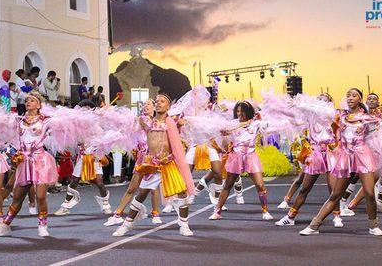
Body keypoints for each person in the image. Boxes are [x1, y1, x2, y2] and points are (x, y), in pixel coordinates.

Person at [299, 88, 382, 236]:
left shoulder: (368, 119)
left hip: (363, 155)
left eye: (354, 95)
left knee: (370, 193)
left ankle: (373, 225)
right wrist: (298, 104)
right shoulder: (339, 115)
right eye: (348, 96)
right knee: (335, 194)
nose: (350, 98)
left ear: (360, 99)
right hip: (345, 156)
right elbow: (319, 110)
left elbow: (375, 139)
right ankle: (314, 225)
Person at [112, 94, 195, 237]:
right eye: (156, 102)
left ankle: (184, 225)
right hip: (152, 163)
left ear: (168, 106)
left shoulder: (173, 121)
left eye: (162, 102)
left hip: (168, 162)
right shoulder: (147, 122)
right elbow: (128, 122)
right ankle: (127, 224)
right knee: (142, 194)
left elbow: (192, 123)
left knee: (182, 192)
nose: (158, 103)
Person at [0, 91, 58, 237]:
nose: (28, 102)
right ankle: (5, 225)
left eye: (32, 100)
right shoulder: (19, 121)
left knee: (40, 196)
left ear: (39, 105)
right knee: (17, 197)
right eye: (27, 100)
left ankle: (43, 225)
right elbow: (6, 132)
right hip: (24, 161)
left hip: (40, 160)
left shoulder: (46, 120)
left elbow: (66, 123)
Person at [275, 93, 343, 227]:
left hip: (331, 155)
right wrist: (279, 108)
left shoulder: (334, 117)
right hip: (316, 154)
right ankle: (290, 217)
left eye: (325, 99)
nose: (321, 101)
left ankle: (337, 216)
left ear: (329, 103)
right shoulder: (310, 118)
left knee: (334, 189)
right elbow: (294, 118)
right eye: (319, 99)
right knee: (305, 188)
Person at [208, 101, 273, 221]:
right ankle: (217, 211)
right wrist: (223, 133)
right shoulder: (233, 124)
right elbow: (220, 132)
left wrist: (260, 117)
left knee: (260, 184)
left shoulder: (255, 123)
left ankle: (265, 211)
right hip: (235, 156)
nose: (240, 113)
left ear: (248, 112)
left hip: (251, 156)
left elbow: (267, 124)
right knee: (228, 184)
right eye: (238, 111)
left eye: (242, 111)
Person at [104, 99, 162, 226]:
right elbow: (127, 126)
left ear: (154, 107)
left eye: (149, 104)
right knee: (132, 188)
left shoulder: (157, 122)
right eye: (144, 104)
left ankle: (156, 213)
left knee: (153, 188)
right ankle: (117, 214)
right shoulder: (139, 119)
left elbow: (155, 136)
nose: (146, 106)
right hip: (142, 158)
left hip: (153, 157)